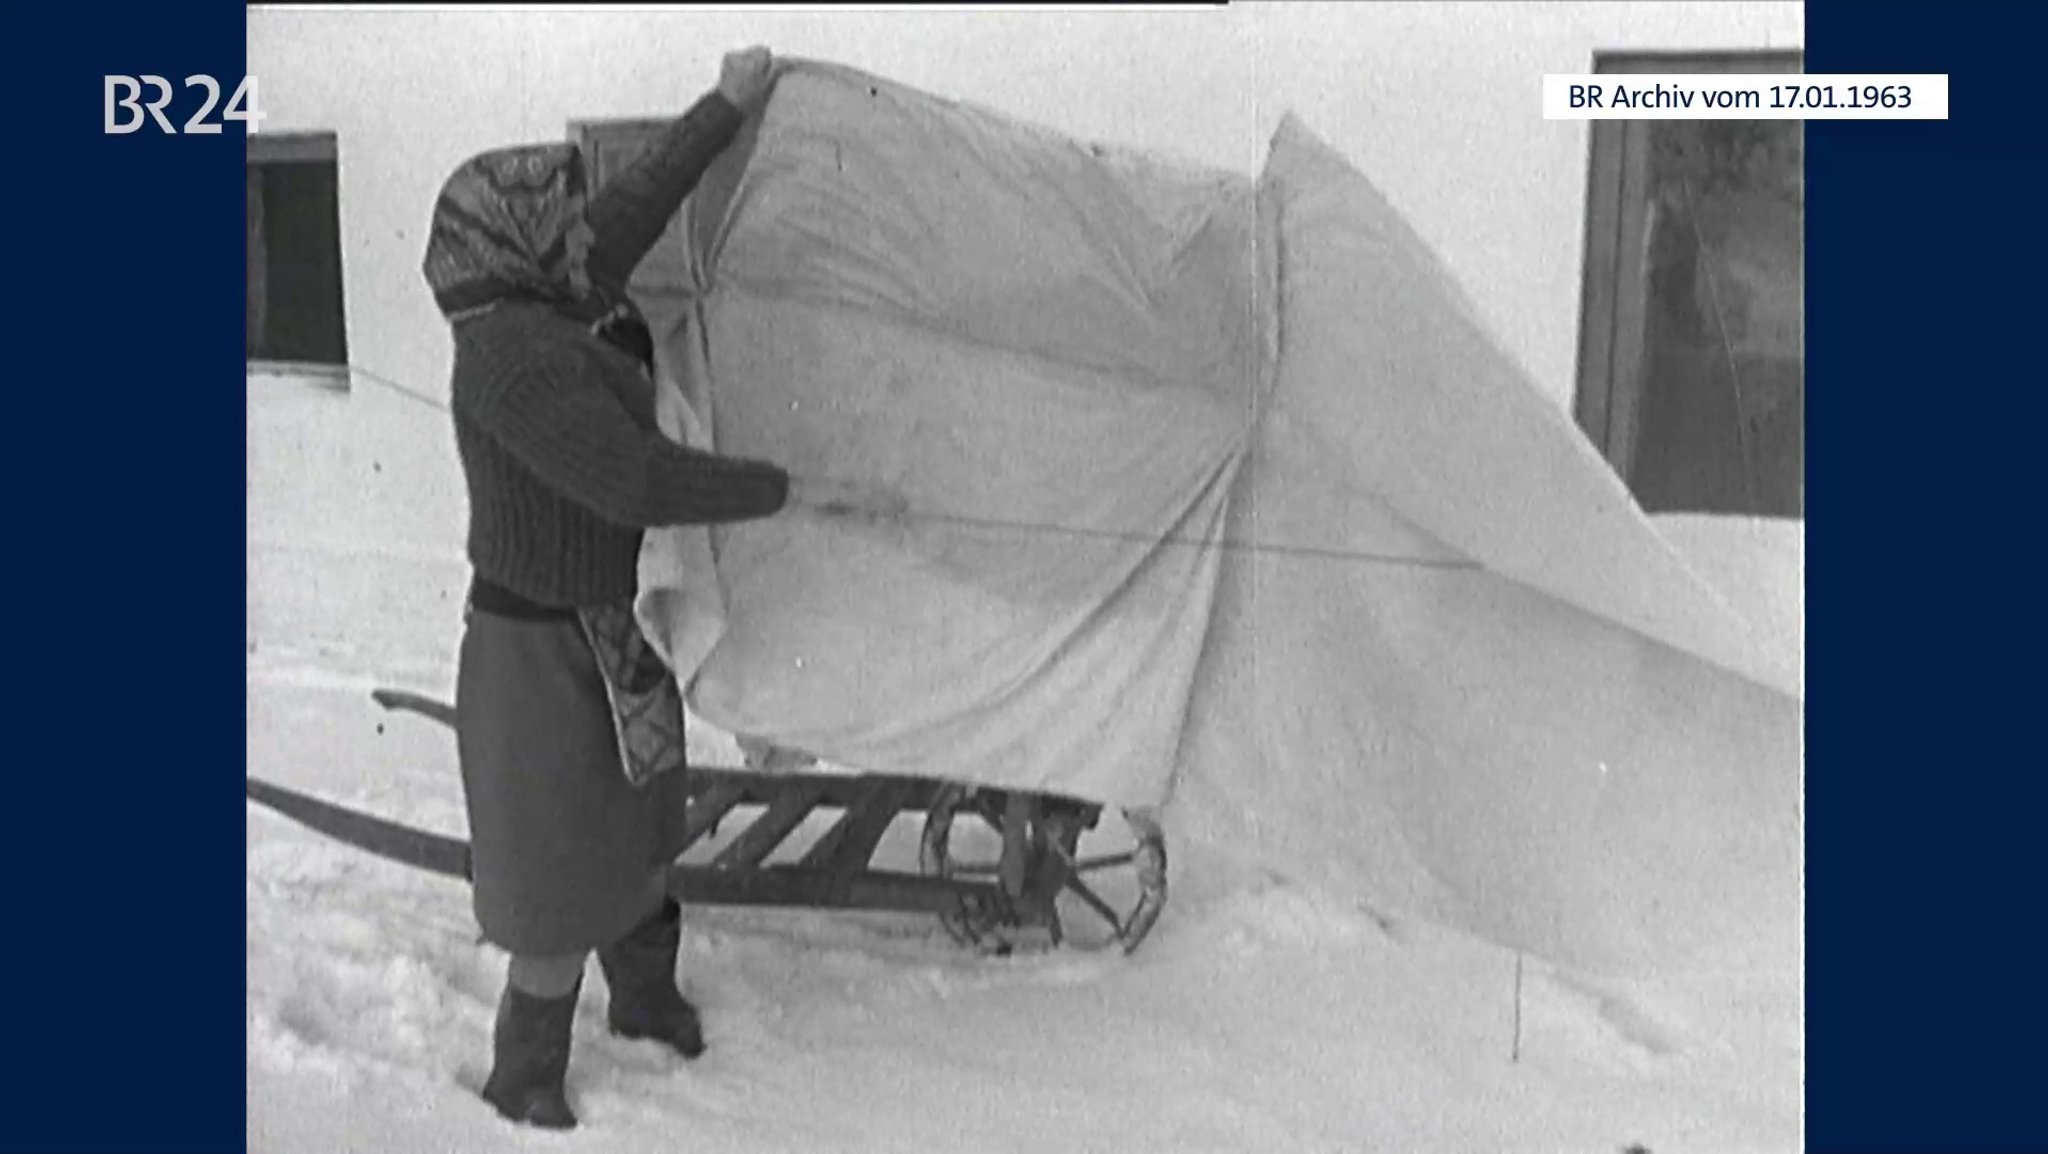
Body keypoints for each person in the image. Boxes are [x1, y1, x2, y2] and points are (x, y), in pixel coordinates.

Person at [419, 46, 900, 1130]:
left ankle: (642, 998)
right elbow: (630, 476)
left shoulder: (549, 299)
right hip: (532, 655)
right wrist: (793, 488)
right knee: (553, 863)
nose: (587, 239)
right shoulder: (508, 361)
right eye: (563, 222)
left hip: (599, 629)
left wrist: (721, 108)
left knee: (637, 822)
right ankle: (526, 1068)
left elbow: (628, 210)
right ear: (518, 241)